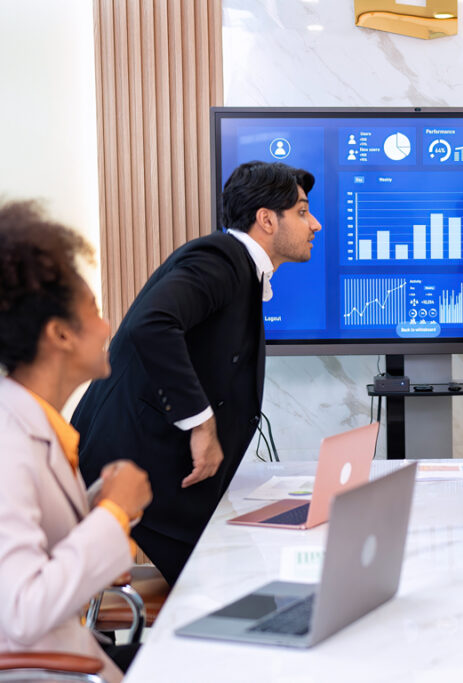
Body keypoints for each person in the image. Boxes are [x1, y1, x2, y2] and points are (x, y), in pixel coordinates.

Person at [0, 194, 153, 682]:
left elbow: (39, 543)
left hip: (60, 656)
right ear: (60, 334)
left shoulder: (37, 427)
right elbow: (25, 610)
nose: (107, 326)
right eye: (95, 311)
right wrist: (113, 514)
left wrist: (97, 505)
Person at [71, 161, 321, 585]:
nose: (314, 224)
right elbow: (152, 324)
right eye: (302, 212)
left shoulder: (240, 268)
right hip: (136, 468)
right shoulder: (219, 259)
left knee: (253, 564)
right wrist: (202, 424)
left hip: (164, 470)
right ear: (266, 220)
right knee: (234, 584)